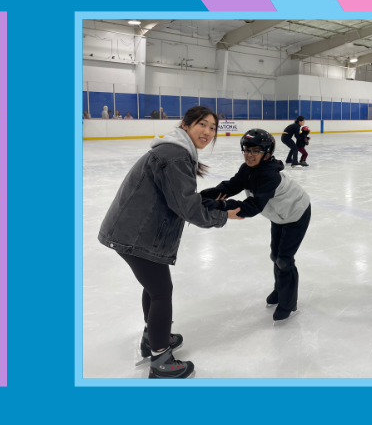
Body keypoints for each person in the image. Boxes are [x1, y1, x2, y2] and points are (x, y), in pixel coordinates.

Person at [98, 105, 232, 378]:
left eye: (213, 127)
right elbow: (186, 208)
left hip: (138, 230)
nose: (208, 132)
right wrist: (224, 215)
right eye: (202, 124)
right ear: (186, 125)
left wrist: (206, 200)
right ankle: (160, 360)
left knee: (155, 288)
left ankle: (152, 339)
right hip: (137, 233)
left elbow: (177, 196)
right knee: (161, 292)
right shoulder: (175, 155)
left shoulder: (177, 150)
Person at [202, 128, 311, 322]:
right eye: (246, 150)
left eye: (255, 151)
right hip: (279, 216)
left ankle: (289, 304)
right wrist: (202, 197)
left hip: (296, 214)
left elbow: (253, 207)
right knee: (275, 256)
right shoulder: (247, 169)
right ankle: (280, 290)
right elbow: (230, 186)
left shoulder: (269, 176)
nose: (249, 155)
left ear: (266, 154)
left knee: (284, 259)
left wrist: (221, 206)